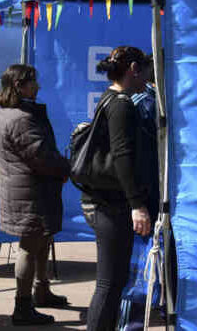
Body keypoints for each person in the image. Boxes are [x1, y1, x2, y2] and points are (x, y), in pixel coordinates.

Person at [0, 64, 70, 326]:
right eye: (32, 82)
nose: (37, 86)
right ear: (19, 86)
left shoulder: (12, 113)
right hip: (30, 192)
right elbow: (41, 157)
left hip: (29, 190)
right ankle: (23, 306)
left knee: (41, 241)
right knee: (29, 246)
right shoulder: (20, 118)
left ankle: (41, 291)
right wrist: (67, 167)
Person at [83, 46, 154, 331]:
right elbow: (122, 156)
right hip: (112, 205)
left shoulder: (112, 99)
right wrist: (137, 204)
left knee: (114, 281)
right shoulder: (121, 104)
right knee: (110, 283)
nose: (149, 77)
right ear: (134, 69)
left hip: (109, 202)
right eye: (146, 70)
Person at [119, 55, 161, 331]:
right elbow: (139, 157)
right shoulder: (144, 104)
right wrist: (139, 201)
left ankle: (138, 317)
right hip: (147, 195)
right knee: (139, 266)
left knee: (149, 261)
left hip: (150, 192)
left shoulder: (147, 101)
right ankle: (130, 323)